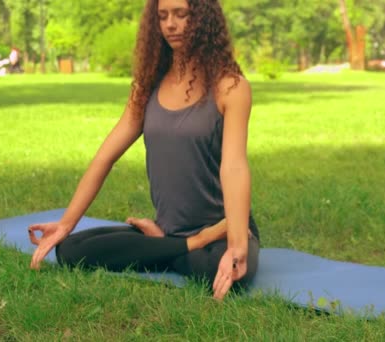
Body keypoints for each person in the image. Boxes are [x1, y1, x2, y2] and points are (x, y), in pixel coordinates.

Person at [27, 0, 260, 300]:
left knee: (221, 271)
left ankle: (166, 247)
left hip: (223, 229)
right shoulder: (147, 86)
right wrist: (66, 223)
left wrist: (238, 243)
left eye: (181, 14)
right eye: (162, 16)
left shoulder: (231, 87)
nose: (170, 25)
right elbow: (105, 157)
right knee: (72, 250)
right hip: (173, 230)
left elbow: (234, 166)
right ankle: (176, 244)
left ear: (203, 18)